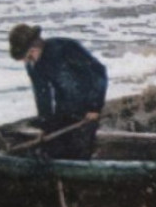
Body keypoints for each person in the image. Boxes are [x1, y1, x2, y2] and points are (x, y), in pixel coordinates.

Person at [8, 23, 108, 159]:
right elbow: (42, 94)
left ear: (37, 46)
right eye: (26, 59)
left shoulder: (65, 48)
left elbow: (98, 72)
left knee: (80, 151)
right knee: (54, 150)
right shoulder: (33, 65)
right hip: (63, 110)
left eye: (30, 56)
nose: (29, 62)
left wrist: (95, 107)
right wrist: (46, 126)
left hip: (87, 109)